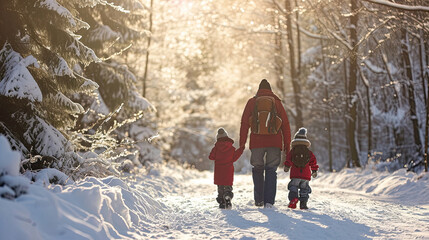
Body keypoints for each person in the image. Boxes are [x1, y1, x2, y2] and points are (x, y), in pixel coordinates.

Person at [239, 79, 291, 208]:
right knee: (271, 170)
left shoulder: (252, 102)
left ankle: (259, 200)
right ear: (270, 90)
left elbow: (244, 124)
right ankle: (269, 202)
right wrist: (287, 147)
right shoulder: (277, 102)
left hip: (256, 143)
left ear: (258, 90)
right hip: (275, 142)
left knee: (257, 169)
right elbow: (285, 125)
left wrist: (242, 144)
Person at [283, 127, 319, 209]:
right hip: (306, 175)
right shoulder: (308, 152)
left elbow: (288, 159)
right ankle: (303, 203)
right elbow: (313, 161)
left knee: (293, 187)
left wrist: (287, 166)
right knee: (304, 189)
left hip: (295, 174)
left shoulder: (293, 151)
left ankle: (293, 199)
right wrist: (314, 170)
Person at [209, 128, 244, 209]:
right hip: (228, 172)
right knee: (228, 186)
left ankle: (221, 202)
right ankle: (228, 196)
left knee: (220, 188)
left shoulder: (216, 148)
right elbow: (235, 157)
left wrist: (215, 147)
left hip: (219, 172)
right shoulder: (231, 148)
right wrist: (241, 149)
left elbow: (211, 157)